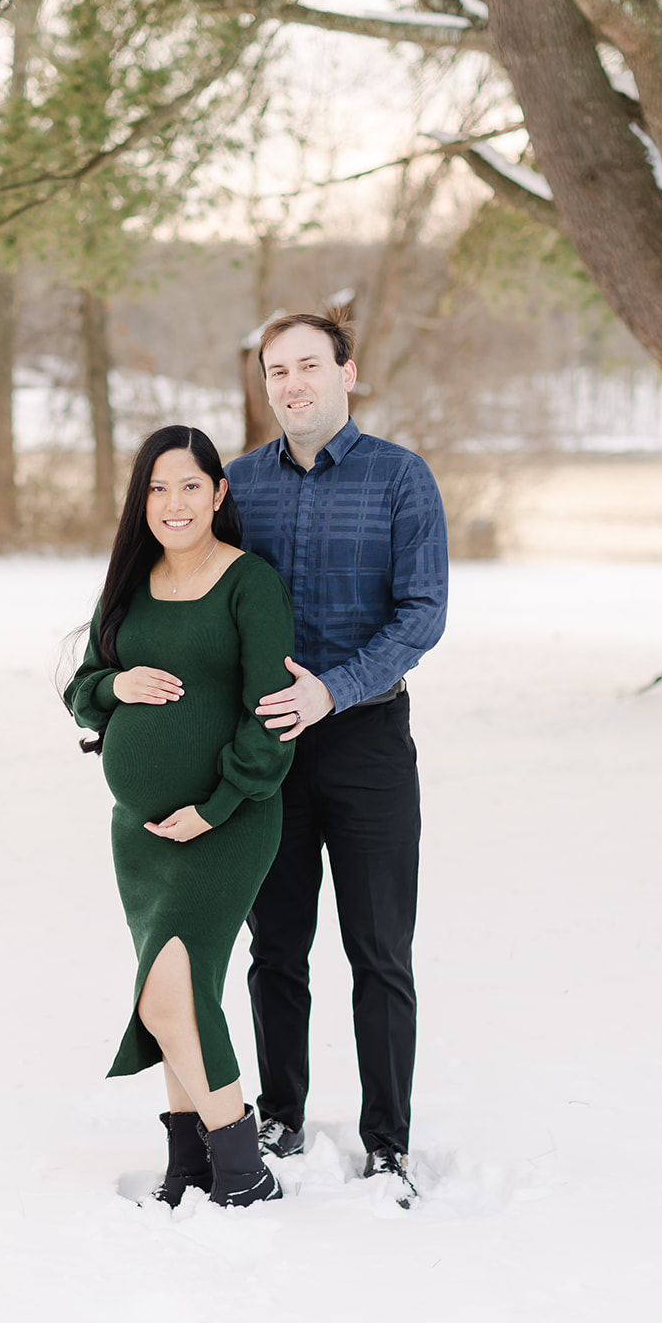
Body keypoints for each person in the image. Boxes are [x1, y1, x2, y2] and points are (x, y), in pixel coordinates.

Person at [226, 310, 448, 1206]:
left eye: (308, 365)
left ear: (348, 373)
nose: (291, 385)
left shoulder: (401, 479)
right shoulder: (236, 486)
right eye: (276, 371)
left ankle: (386, 1142)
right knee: (274, 948)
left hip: (367, 743)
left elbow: (421, 612)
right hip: (268, 746)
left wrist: (335, 688)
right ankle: (279, 1116)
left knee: (378, 950)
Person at [63, 425, 295, 1209]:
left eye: (190, 485)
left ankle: (243, 1169)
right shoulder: (129, 583)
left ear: (218, 493)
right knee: (181, 997)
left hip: (226, 824)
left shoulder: (248, 583)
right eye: (158, 488)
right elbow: (82, 685)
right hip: (141, 840)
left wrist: (216, 804)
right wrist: (115, 688)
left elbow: (271, 717)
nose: (173, 503)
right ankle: (189, 1164)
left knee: (167, 995)